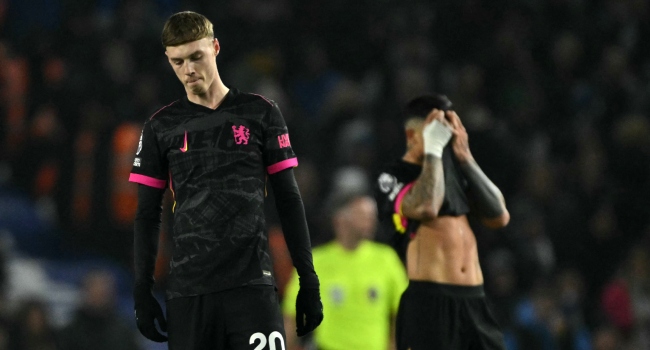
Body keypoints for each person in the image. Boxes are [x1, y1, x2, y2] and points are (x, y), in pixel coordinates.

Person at [128, 11, 323, 350]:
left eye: (196, 57)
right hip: (190, 292)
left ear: (215, 47)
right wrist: (142, 292)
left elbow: (289, 199)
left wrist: (308, 279)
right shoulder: (162, 127)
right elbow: (147, 215)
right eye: (178, 62)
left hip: (252, 287)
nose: (188, 70)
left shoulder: (261, 113)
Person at [374, 94, 510, 350]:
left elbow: (499, 215)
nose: (445, 134)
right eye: (437, 128)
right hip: (430, 303)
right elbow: (427, 205)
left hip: (474, 300)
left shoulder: (457, 172)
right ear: (412, 136)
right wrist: (433, 151)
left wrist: (466, 158)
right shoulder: (392, 176)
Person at [283, 193, 408, 350]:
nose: (370, 221)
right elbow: (293, 314)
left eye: (371, 215)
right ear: (340, 219)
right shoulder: (317, 261)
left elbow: (403, 312)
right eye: (361, 215)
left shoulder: (386, 259)